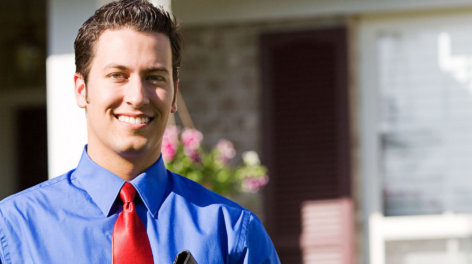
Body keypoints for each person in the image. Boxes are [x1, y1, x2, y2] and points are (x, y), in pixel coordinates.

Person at [0, 0, 280, 263]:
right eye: (117, 75)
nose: (137, 96)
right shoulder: (14, 230)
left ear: (174, 95)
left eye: (154, 77)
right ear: (81, 89)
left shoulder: (232, 233)